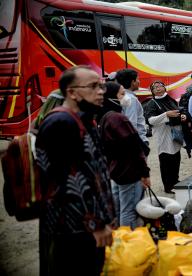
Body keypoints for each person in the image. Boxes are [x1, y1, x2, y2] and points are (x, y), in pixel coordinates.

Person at [35, 66, 115, 275]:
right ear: (71, 92)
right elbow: (67, 182)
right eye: (93, 86)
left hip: (84, 229)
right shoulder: (60, 123)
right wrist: (95, 224)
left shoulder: (84, 119)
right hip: (72, 231)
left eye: (101, 86)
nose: (101, 92)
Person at [97, 82, 151, 229]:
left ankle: (121, 240)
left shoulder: (104, 117)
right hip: (129, 171)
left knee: (120, 208)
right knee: (130, 211)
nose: (126, 97)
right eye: (121, 94)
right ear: (111, 97)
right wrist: (145, 173)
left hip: (116, 170)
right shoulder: (118, 119)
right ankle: (131, 242)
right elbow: (135, 148)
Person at [146, 81, 186, 194]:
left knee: (176, 158)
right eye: (155, 87)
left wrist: (182, 116)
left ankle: (175, 181)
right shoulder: (152, 103)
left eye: (160, 86)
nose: (158, 88)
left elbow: (178, 112)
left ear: (164, 88)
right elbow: (150, 120)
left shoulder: (171, 99)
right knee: (166, 161)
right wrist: (165, 115)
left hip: (175, 134)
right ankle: (168, 186)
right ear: (152, 91)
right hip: (163, 136)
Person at [115, 69, 149, 151]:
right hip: (137, 142)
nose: (139, 82)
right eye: (137, 79)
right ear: (132, 82)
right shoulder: (131, 99)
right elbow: (131, 123)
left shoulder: (122, 96)